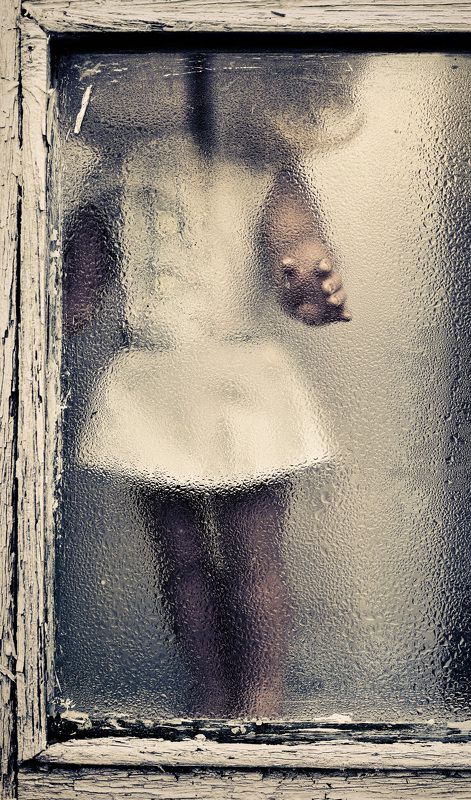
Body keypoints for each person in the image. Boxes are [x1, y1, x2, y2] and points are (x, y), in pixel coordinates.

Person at [63, 55, 352, 717]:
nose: (191, 92)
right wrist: (57, 305)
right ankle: (211, 692)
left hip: (239, 377)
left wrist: (312, 282)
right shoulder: (115, 173)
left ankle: (261, 699)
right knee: (183, 563)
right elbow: (76, 291)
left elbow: (297, 245)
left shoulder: (263, 164)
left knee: (255, 556)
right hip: (153, 378)